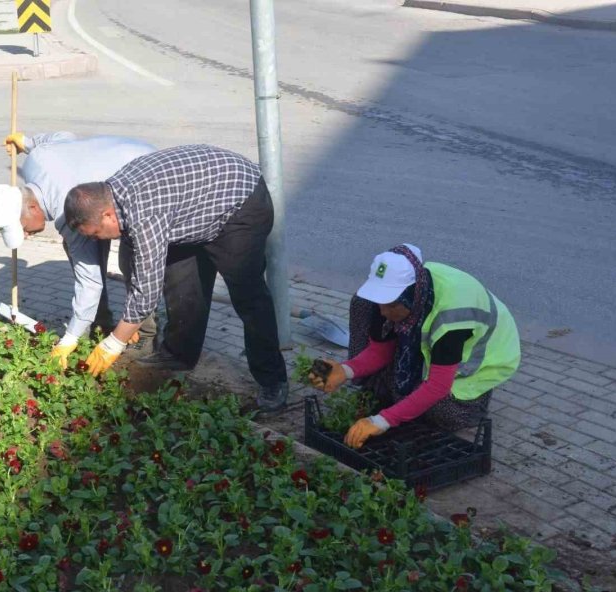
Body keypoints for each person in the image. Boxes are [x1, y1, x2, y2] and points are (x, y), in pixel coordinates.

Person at [63, 144, 289, 411]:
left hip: (240, 204)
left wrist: (114, 342)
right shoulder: (113, 195)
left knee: (247, 295)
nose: (96, 240)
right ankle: (178, 356)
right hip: (196, 210)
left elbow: (145, 293)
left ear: (107, 214)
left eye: (95, 233)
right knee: (181, 282)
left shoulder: (144, 212)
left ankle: (272, 380)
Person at [309, 244, 520, 447]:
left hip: (478, 362)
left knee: (440, 409)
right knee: (362, 304)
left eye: (391, 305)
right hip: (434, 342)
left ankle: (474, 404)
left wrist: (381, 421)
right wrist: (345, 370)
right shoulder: (407, 298)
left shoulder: (451, 319)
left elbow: (437, 386)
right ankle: (387, 390)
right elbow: (381, 350)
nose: (383, 312)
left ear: (413, 296)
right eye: (382, 302)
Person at [0, 131, 158, 367]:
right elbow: (62, 137)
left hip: (144, 176)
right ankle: (99, 320)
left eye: (22, 228)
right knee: (82, 245)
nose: (25, 235)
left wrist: (70, 338)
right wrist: (27, 142)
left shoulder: (69, 210)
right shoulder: (36, 161)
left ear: (33, 207)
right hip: (126, 149)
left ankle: (143, 334)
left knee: (135, 259)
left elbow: (90, 281)